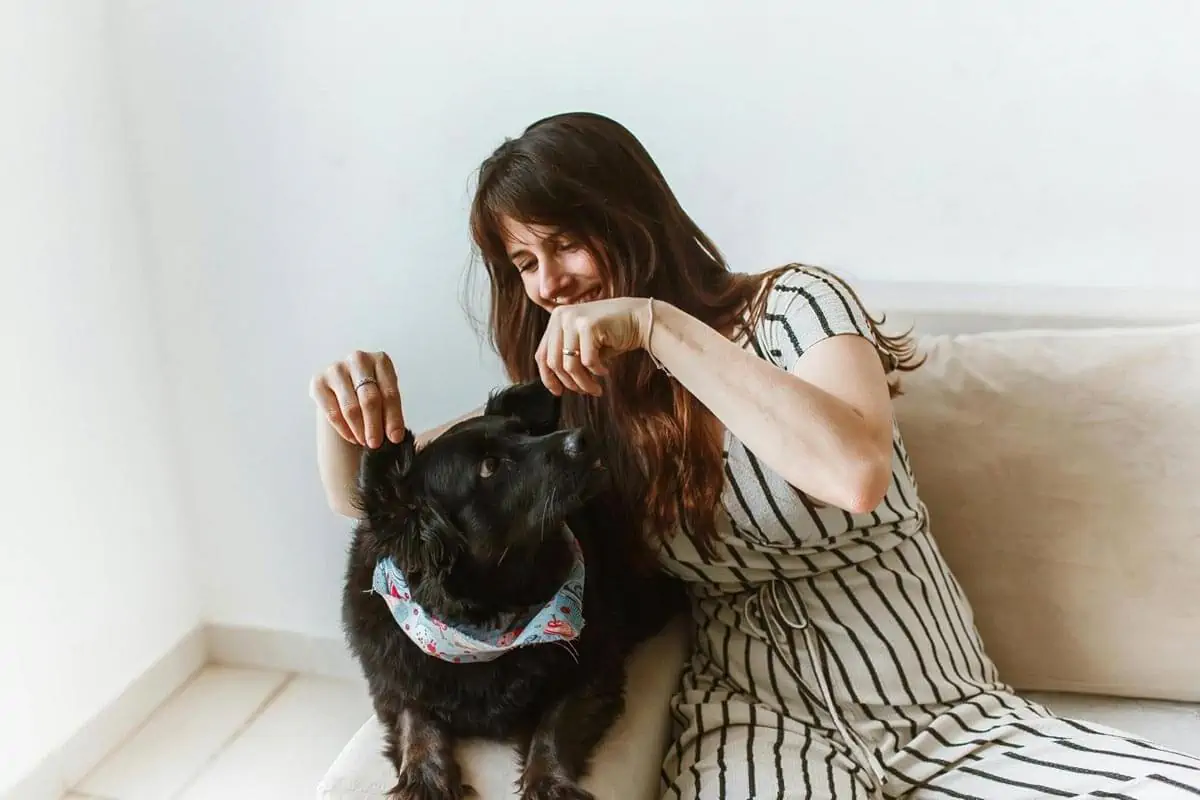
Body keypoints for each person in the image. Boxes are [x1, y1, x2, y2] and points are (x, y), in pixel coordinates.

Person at [311, 112, 1200, 799]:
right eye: (523, 263)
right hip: (753, 722)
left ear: (630, 216)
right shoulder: (575, 409)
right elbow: (383, 509)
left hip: (943, 713)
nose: (550, 284)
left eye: (565, 242)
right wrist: (341, 418)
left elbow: (853, 470)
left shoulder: (796, 307)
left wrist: (658, 326)